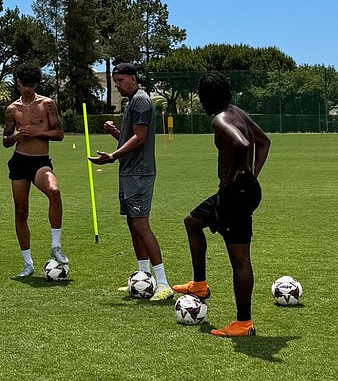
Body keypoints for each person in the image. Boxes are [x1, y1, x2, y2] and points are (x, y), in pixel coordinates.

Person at [172, 72, 270, 337]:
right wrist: (252, 173)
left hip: (235, 194)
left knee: (239, 259)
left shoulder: (220, 119)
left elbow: (243, 142)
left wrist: (238, 171)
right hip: (243, 190)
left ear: (206, 99)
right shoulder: (238, 112)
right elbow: (264, 142)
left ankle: (243, 323)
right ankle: (200, 285)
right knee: (192, 222)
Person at [89, 62, 173, 301]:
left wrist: (112, 156)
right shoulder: (132, 102)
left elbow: (141, 137)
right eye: (115, 82)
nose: (117, 85)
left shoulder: (141, 101)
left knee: (141, 224)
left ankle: (163, 283)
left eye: (121, 81)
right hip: (129, 172)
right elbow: (132, 138)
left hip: (139, 173)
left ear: (133, 79)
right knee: (132, 224)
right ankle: (143, 278)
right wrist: (115, 133)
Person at [3, 64, 68, 278]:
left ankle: (56, 245)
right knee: (21, 211)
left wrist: (37, 133)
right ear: (18, 83)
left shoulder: (47, 104)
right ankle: (27, 263)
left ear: (36, 84)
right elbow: (5, 141)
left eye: (32, 86)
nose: (28, 90)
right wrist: (16, 138)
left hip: (41, 162)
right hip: (20, 162)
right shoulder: (12, 109)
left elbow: (59, 134)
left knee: (55, 192)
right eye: (24, 85)